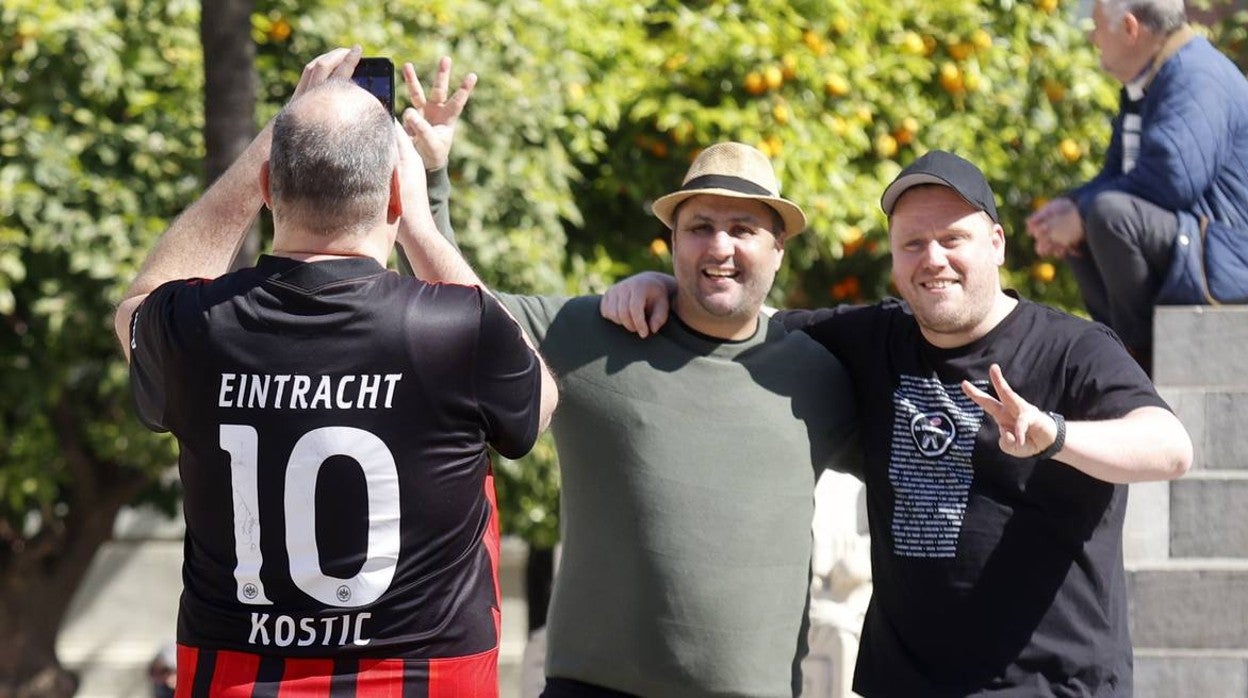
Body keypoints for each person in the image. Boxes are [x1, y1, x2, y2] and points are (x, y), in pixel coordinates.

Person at [603, 149, 1194, 696]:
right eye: (912, 244)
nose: (932, 259)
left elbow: (1170, 448)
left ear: (996, 243)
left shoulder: (1072, 350)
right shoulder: (872, 338)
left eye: (952, 239)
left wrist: (1054, 435)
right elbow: (746, 325)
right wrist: (664, 285)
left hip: (1053, 686)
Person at [399, 60, 861, 698]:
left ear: (778, 248)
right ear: (672, 242)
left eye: (744, 229)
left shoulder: (819, 373)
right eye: (700, 228)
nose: (720, 247)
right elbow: (461, 311)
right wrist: (431, 175)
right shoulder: (594, 335)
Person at [115, 47, 556, 696]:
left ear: (268, 186)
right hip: (425, 680)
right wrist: (421, 226)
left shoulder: (198, 326)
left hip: (236, 678)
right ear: (394, 195)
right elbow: (537, 398)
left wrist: (269, 142)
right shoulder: (451, 331)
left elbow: (136, 305)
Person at [1025, 0, 1248, 375]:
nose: (1092, 36)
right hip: (1190, 243)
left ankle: (1137, 362)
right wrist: (1065, 212)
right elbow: (1115, 175)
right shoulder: (1148, 80)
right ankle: (1117, 346)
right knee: (1090, 212)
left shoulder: (1196, 76)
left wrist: (1081, 213)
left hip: (1229, 255)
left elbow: (1171, 181)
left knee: (1109, 215)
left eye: (1096, 26)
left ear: (1130, 28)